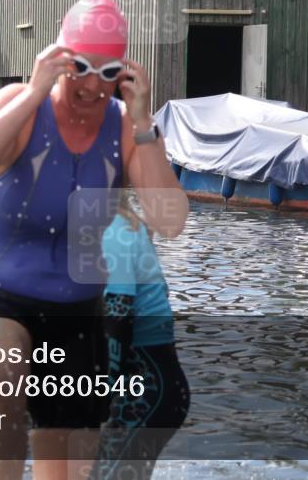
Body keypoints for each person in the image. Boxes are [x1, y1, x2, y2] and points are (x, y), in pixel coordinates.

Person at [0, 0, 188, 480]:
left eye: (108, 71)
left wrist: (143, 124)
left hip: (76, 319)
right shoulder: (20, 106)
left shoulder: (123, 128)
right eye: (79, 67)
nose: (92, 85)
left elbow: (170, 222)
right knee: (2, 360)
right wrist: (33, 94)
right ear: (59, 55)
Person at [91, 193, 189, 480]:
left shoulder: (111, 233)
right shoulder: (113, 228)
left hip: (146, 393)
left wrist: (93, 405)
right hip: (146, 388)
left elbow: (116, 326)